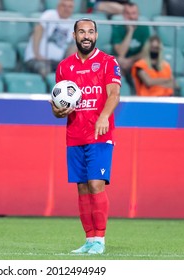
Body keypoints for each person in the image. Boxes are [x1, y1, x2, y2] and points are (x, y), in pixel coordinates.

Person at [49, 18, 121, 254]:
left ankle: (100, 239)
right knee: (81, 188)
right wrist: (58, 111)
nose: (86, 36)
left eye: (91, 32)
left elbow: (114, 95)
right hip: (75, 135)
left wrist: (103, 117)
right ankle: (89, 240)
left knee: (96, 184)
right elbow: (58, 103)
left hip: (100, 134)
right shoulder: (64, 67)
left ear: (96, 36)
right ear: (74, 36)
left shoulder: (108, 62)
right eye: (82, 32)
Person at [24, 0, 76, 78]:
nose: (66, 9)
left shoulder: (72, 24)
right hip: (36, 59)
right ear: (58, 7)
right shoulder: (50, 15)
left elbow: (71, 48)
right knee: (44, 69)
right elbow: (38, 30)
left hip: (55, 62)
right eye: (64, 6)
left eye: (70, 7)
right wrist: (37, 54)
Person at [111, 2, 150, 76]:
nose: (131, 17)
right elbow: (121, 53)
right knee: (116, 63)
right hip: (121, 63)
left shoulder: (144, 28)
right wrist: (130, 31)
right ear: (123, 15)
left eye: (133, 13)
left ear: (138, 14)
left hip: (136, 60)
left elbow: (146, 51)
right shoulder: (118, 28)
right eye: (127, 13)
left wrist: (131, 60)